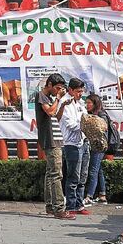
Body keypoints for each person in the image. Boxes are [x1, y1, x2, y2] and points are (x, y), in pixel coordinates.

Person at [35, 72, 74, 219]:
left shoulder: (50, 98)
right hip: (50, 139)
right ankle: (59, 208)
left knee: (51, 173)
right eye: (57, 88)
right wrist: (58, 98)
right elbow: (51, 112)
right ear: (49, 84)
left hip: (55, 138)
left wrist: (62, 105)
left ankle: (50, 206)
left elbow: (56, 117)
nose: (59, 91)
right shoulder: (42, 96)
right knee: (57, 174)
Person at [60, 77, 90, 215]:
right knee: (73, 177)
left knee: (83, 176)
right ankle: (71, 206)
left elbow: (86, 118)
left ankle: (79, 204)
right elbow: (70, 125)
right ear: (70, 90)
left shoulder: (81, 103)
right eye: (78, 91)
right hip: (71, 144)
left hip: (83, 141)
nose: (80, 94)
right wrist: (86, 125)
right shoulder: (65, 103)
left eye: (82, 91)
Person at [85, 93, 112, 205]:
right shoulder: (92, 114)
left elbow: (103, 130)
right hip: (94, 145)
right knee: (98, 169)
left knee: (93, 170)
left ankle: (89, 196)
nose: (87, 105)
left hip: (99, 146)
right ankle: (102, 195)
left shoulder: (101, 115)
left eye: (89, 103)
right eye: (86, 103)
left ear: (95, 103)